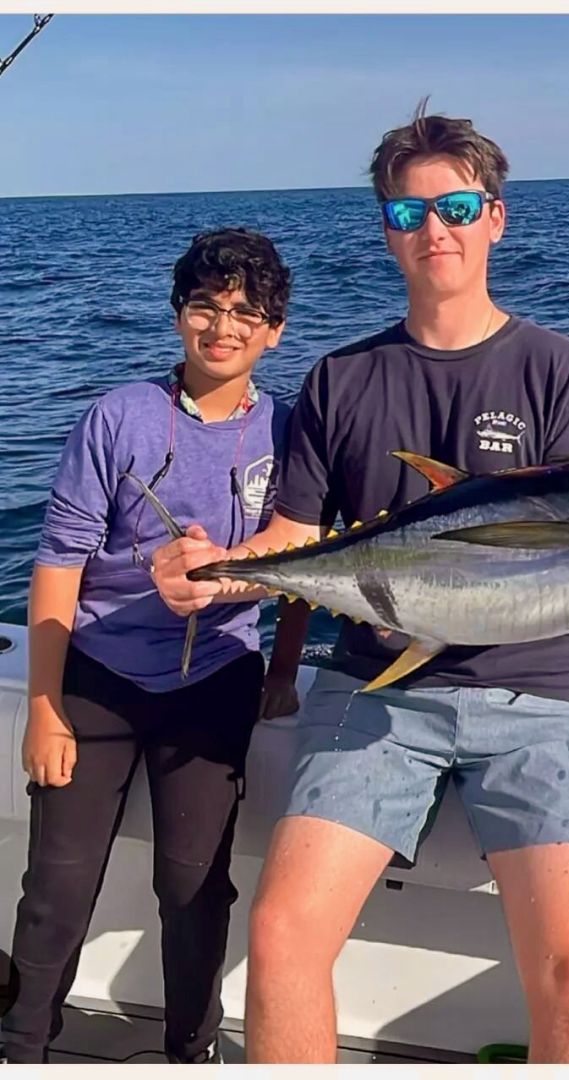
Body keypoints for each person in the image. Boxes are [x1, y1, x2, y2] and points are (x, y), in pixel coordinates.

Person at [152, 105, 569, 1064]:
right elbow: (292, 543)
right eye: (408, 213)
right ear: (386, 231)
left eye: (455, 207)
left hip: (536, 693)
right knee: (281, 937)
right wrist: (213, 572)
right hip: (375, 688)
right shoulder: (341, 378)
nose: (434, 229)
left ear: (495, 218)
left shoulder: (559, 370)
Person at [0, 228, 307, 1065]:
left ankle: (191, 1050)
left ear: (274, 331)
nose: (222, 326)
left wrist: (283, 669)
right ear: (178, 314)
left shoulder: (290, 431)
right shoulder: (119, 415)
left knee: (193, 885)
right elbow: (59, 561)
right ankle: (21, 1047)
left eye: (245, 312)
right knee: (57, 887)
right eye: (205, 306)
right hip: (98, 672)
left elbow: (305, 562)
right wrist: (45, 708)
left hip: (217, 678)